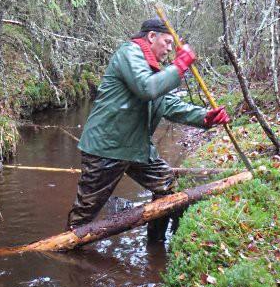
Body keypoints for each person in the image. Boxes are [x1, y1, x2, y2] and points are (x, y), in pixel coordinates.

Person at [67, 17, 230, 241]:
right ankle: (69, 256)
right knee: (84, 216)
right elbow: (147, 89)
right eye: (167, 42)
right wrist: (180, 66)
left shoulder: (151, 67)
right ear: (151, 37)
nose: (170, 49)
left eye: (173, 45)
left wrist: (205, 117)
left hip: (137, 149)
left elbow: (168, 104)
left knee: (168, 190)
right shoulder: (130, 53)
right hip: (106, 148)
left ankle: (157, 245)